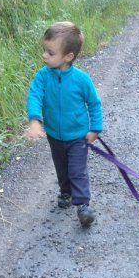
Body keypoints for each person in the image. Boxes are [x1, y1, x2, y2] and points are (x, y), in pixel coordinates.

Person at [26, 21, 103, 228]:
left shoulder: (81, 80)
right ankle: (65, 191)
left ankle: (83, 206)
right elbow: (34, 96)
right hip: (54, 134)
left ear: (68, 57)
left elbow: (94, 104)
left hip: (77, 136)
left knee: (77, 170)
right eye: (44, 50)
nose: (44, 56)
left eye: (50, 53)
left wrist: (95, 128)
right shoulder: (42, 76)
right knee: (62, 168)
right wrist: (35, 120)